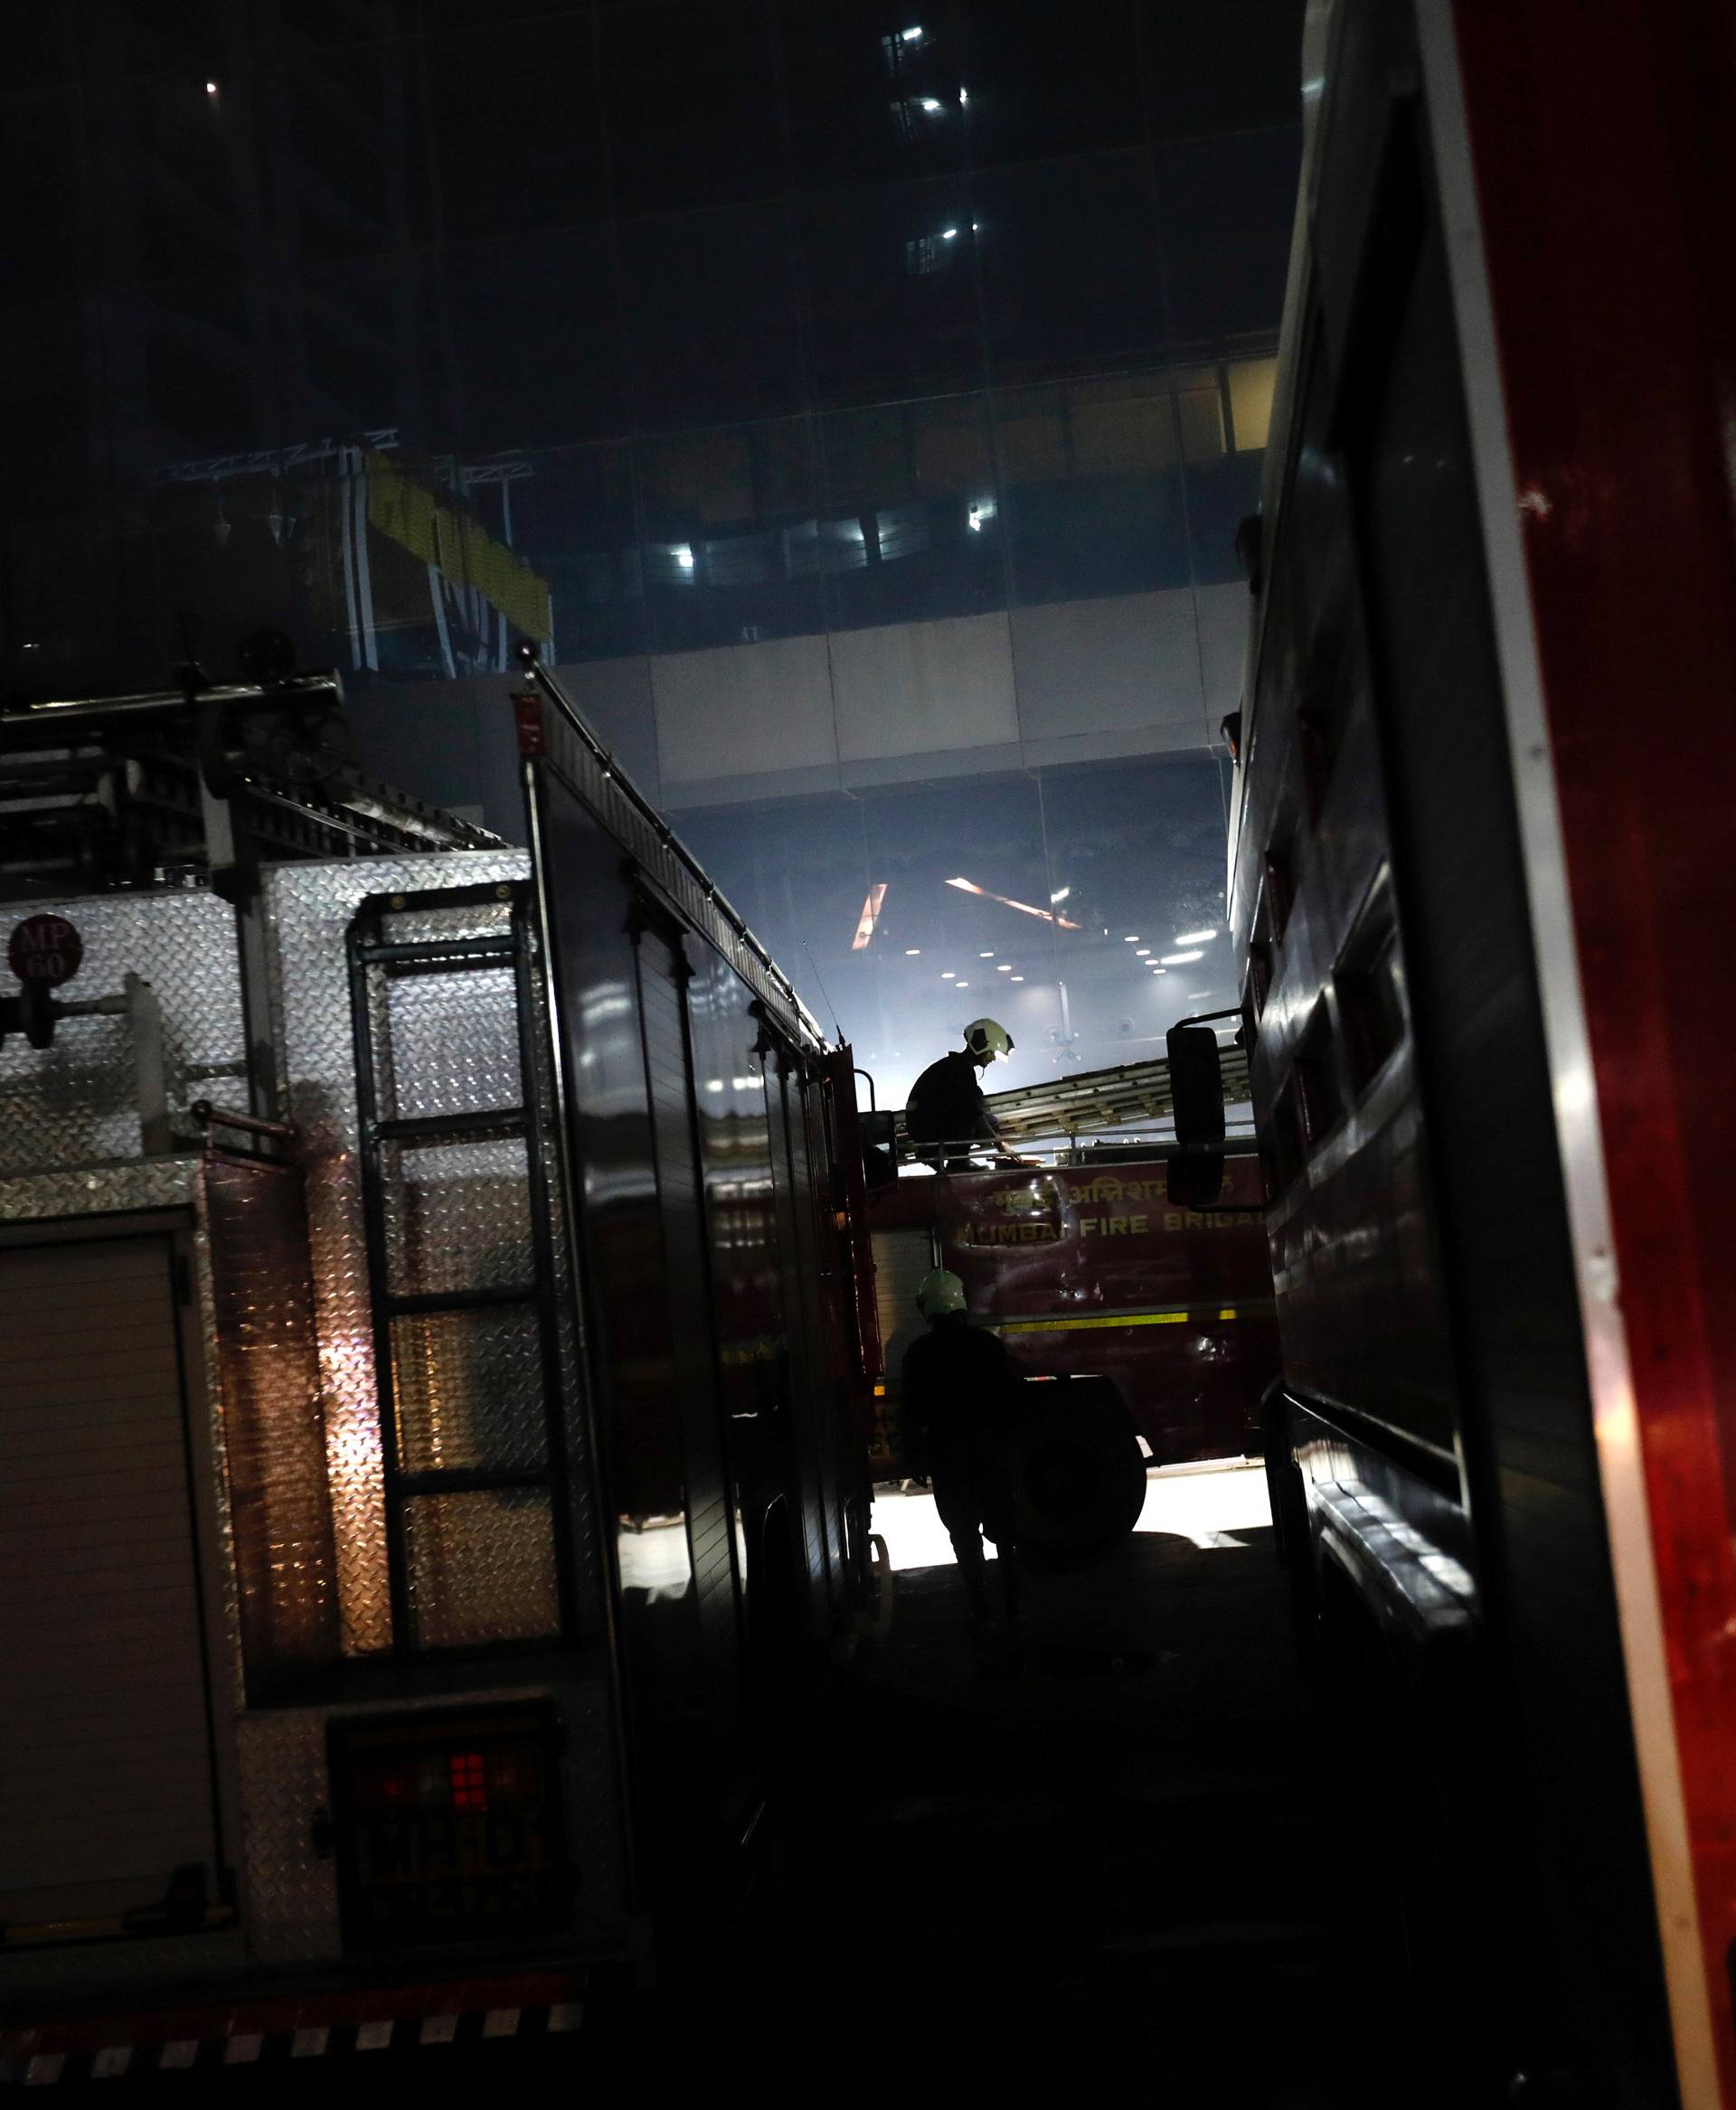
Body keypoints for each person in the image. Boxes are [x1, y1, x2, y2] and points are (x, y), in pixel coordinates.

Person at [901, 1267, 1023, 1628]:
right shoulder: (987, 1346)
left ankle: (981, 1610)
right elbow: (1009, 1401)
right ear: (961, 1303)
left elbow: (910, 1413)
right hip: (990, 1453)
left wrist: (914, 1457)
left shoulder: (918, 1355)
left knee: (964, 1537)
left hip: (947, 1457)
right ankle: (1014, 1607)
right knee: (1004, 1532)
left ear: (928, 1310)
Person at [903, 1016, 1026, 1171]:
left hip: (926, 1124)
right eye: (991, 1052)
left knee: (991, 1122)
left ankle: (952, 1160)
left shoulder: (957, 1066)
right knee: (973, 1117)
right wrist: (1000, 1145)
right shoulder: (959, 1070)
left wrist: (999, 1140)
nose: (993, 1058)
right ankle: (958, 1163)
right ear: (981, 1046)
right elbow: (973, 1113)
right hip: (927, 1127)